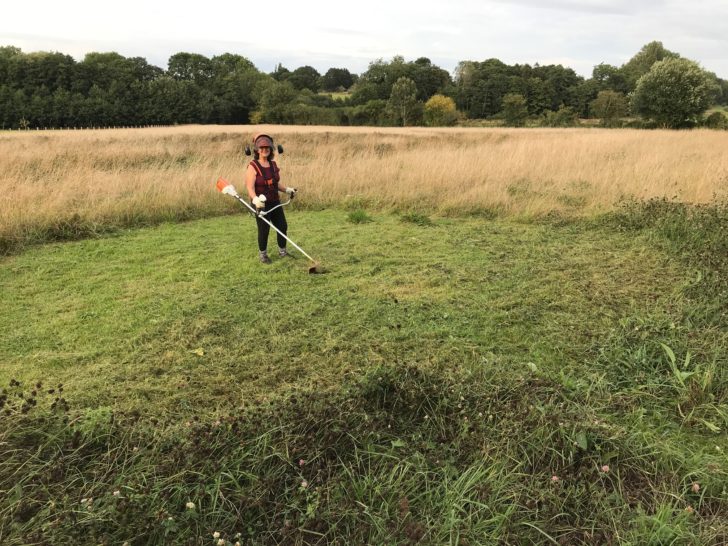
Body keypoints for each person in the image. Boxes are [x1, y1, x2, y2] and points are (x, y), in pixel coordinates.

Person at [245, 133, 297, 264]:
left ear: (271, 149)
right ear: (257, 149)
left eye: (267, 147)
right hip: (261, 204)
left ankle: (282, 252)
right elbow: (250, 187)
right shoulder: (253, 166)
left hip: (275, 202)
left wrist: (287, 189)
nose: (265, 150)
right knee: (264, 229)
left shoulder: (273, 165)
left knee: (282, 226)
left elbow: (274, 183)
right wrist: (255, 199)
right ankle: (263, 255)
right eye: (261, 147)